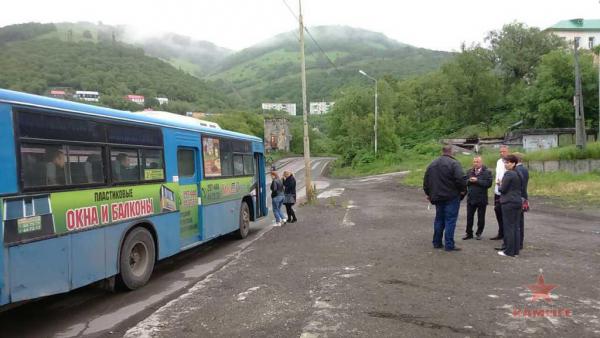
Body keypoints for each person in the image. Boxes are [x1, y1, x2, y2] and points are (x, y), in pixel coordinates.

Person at [423, 145, 467, 251]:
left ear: (442, 152)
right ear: (451, 152)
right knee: (450, 220)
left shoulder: (432, 164)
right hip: (451, 196)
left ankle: (437, 242)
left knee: (439, 219)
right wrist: (463, 190)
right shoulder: (454, 163)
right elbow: (460, 179)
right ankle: (449, 244)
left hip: (437, 197)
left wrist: (429, 194)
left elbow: (426, 181)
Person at [497, 154, 522, 257]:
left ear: (513, 163)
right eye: (505, 162)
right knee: (515, 227)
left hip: (509, 202)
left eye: (508, 162)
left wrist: (499, 185)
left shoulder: (509, 174)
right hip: (517, 201)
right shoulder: (519, 173)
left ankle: (509, 251)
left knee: (509, 227)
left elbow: (503, 189)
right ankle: (515, 251)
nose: (506, 164)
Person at [463, 156, 493, 240]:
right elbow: (464, 182)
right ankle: (469, 233)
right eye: (474, 162)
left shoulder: (487, 172)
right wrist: (469, 181)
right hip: (471, 198)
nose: (475, 163)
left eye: (477, 162)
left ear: (481, 162)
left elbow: (488, 184)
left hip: (481, 198)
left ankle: (479, 233)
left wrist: (477, 181)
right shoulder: (469, 171)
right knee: (469, 217)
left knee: (481, 217)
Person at [491, 145, 510, 240]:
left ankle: (506, 233)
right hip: (497, 190)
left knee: (505, 212)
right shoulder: (498, 162)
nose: (502, 153)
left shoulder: (510, 162)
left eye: (504, 151)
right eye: (500, 152)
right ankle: (501, 232)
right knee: (497, 211)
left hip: (505, 191)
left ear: (508, 151)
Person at [513, 152, 529, 250]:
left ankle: (518, 243)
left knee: (517, 221)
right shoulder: (524, 169)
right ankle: (519, 242)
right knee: (519, 220)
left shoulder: (517, 170)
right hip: (523, 196)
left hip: (518, 197)